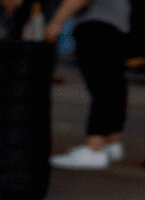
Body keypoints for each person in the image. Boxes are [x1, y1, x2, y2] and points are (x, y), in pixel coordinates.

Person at [47, 0, 133, 169]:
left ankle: (94, 148)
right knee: (113, 85)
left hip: (96, 26)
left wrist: (56, 22)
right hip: (117, 26)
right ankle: (110, 142)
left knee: (102, 87)